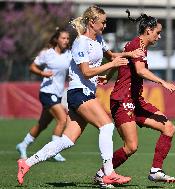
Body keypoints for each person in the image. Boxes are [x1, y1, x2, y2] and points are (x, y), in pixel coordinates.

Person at [17, 5, 144, 188]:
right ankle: (108, 173)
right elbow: (85, 72)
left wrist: (128, 54)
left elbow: (110, 56)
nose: (105, 25)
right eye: (103, 22)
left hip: (85, 94)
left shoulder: (99, 38)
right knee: (106, 126)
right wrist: (112, 65)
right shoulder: (80, 43)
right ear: (92, 22)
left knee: (67, 140)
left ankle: (26, 163)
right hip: (78, 93)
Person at [95, 10, 175, 184]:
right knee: (131, 146)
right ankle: (102, 174)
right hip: (123, 99)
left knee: (168, 128)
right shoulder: (136, 45)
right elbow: (140, 70)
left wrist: (109, 76)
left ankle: (156, 170)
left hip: (136, 100)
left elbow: (122, 60)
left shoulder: (138, 46)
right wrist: (163, 82)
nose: (159, 36)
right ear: (148, 30)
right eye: (158, 32)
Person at [16, 28, 72, 162]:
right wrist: (42, 73)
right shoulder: (47, 54)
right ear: (56, 39)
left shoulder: (69, 54)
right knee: (62, 119)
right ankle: (55, 151)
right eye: (63, 38)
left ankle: (23, 145)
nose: (65, 41)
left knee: (42, 124)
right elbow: (32, 67)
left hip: (57, 94)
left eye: (67, 38)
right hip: (47, 92)